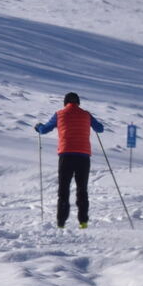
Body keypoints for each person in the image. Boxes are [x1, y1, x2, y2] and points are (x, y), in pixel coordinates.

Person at [34, 92, 105, 229]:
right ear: (78, 103)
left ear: (65, 102)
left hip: (66, 155)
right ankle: (83, 222)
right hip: (83, 156)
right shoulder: (86, 115)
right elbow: (100, 129)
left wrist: (38, 127)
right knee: (82, 189)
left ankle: (61, 223)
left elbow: (44, 130)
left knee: (63, 189)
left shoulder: (59, 114)